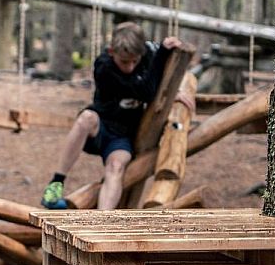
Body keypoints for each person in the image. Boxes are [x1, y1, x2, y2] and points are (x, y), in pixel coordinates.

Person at [40, 22, 190, 211]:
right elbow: (145, 91)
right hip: (100, 128)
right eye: (125, 62)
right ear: (112, 52)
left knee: (116, 167)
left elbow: (159, 76)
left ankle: (104, 223)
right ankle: (56, 183)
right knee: (86, 118)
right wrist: (160, 56)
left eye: (135, 61)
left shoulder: (148, 52)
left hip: (123, 136)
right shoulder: (104, 66)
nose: (130, 67)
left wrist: (172, 90)